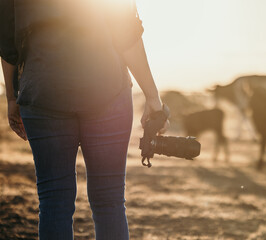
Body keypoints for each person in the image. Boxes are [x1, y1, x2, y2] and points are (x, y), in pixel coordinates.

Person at [0, 0, 168, 239]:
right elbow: (127, 31)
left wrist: (11, 97)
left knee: (53, 201)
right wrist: (152, 96)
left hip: (42, 89)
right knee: (109, 200)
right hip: (107, 88)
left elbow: (7, 41)